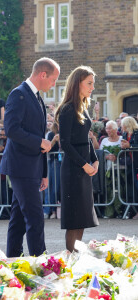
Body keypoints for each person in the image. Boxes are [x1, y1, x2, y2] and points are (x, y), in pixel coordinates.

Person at [0, 57, 60, 257]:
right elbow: (11, 129)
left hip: (31, 167)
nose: (53, 84)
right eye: (53, 80)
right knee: (35, 218)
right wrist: (38, 142)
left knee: (18, 221)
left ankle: (13, 261)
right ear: (43, 74)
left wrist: (43, 172)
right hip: (20, 166)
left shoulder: (37, 97)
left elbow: (38, 138)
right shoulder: (19, 94)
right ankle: (41, 264)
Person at [55, 65, 99, 253]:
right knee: (74, 219)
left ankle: (74, 259)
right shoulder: (67, 109)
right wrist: (84, 165)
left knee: (81, 218)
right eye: (89, 83)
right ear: (77, 83)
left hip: (83, 167)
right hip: (73, 169)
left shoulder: (83, 107)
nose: (92, 87)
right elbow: (65, 143)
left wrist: (95, 160)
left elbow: (85, 138)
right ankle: (70, 260)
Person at [120, 116, 138, 219]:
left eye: (123, 125)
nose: (122, 127)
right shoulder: (125, 134)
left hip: (136, 164)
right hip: (130, 164)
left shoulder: (137, 132)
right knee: (132, 189)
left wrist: (129, 146)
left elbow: (133, 145)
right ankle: (132, 210)